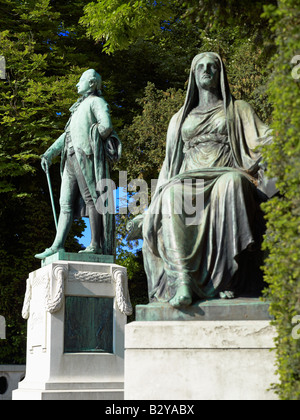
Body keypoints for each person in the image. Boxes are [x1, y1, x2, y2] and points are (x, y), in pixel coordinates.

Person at [132, 52, 276, 308]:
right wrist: (150, 206)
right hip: (187, 179)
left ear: (220, 74)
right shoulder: (179, 119)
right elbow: (168, 166)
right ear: (193, 74)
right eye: (201, 66)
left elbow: (264, 138)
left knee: (231, 184)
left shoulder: (238, 109)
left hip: (226, 173)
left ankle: (226, 279)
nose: (207, 69)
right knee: (172, 195)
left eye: (213, 66)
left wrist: (284, 137)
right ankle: (183, 282)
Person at [35, 69, 121, 259]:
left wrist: (93, 138)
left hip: (86, 154)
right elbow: (67, 135)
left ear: (91, 83)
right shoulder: (77, 108)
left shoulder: (96, 102)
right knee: (64, 203)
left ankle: (96, 244)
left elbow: (106, 126)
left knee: (92, 199)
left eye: (80, 81)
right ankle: (57, 245)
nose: (76, 84)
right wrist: (49, 153)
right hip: (70, 157)